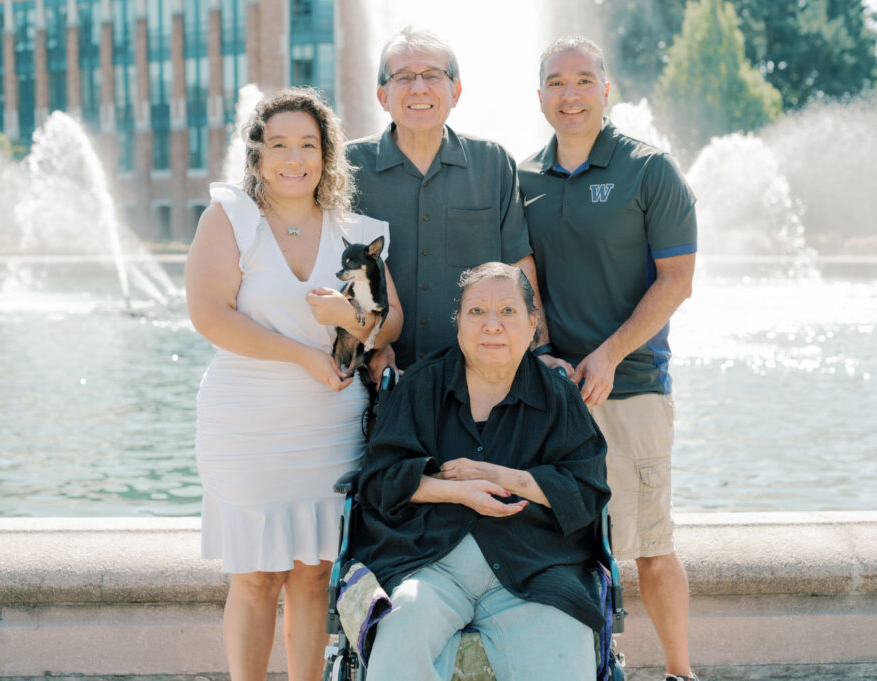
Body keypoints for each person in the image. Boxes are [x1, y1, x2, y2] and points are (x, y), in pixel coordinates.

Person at [185, 88, 403, 681]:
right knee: (254, 577)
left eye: (308, 144)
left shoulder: (355, 229)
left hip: (328, 428)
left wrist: (349, 320)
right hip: (246, 424)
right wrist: (301, 356)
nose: (294, 158)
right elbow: (210, 315)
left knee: (312, 574)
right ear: (257, 155)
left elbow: (390, 321)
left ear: (327, 155)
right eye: (279, 144)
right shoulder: (230, 218)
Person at [518, 37, 699, 681]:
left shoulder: (650, 171)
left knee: (650, 546)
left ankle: (680, 673)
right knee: (566, 549)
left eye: (583, 80)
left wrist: (608, 355)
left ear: (605, 88)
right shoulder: (524, 179)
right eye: (556, 83)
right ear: (539, 96)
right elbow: (523, 281)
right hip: (553, 397)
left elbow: (676, 280)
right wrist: (541, 356)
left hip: (633, 389)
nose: (570, 95)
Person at [350, 262, 610, 681]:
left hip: (534, 568)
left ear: (532, 325)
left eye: (508, 311)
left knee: (563, 657)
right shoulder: (422, 385)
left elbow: (588, 492)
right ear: (458, 324)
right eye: (476, 312)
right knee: (400, 638)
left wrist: (505, 477)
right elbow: (379, 481)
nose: (492, 325)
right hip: (429, 564)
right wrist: (452, 490)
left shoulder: (558, 397)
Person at [347, 27, 550, 375]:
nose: (419, 87)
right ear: (383, 96)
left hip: (479, 378)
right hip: (381, 379)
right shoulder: (348, 168)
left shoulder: (493, 163)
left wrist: (540, 349)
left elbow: (519, 264)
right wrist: (371, 344)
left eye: (432, 75)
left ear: (455, 91)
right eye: (404, 77)